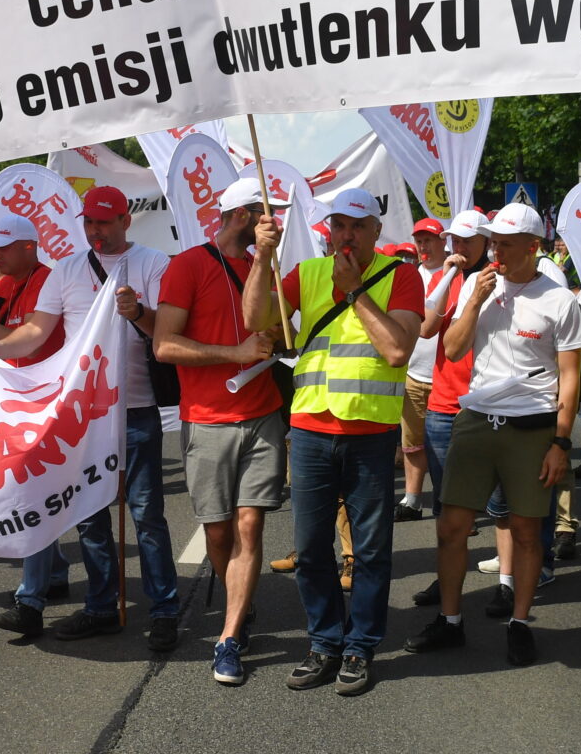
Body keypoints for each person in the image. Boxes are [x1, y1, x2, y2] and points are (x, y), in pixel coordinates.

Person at [0, 185, 180, 648]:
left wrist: (139, 314)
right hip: (83, 413)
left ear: (126, 221)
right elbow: (34, 332)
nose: (96, 231)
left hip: (136, 407)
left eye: (105, 222)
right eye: (90, 222)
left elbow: (165, 332)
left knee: (146, 513)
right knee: (89, 513)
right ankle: (101, 606)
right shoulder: (67, 269)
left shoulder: (153, 263)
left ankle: (165, 608)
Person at [244, 187, 422, 695]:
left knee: (369, 552)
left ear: (375, 232)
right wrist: (261, 257)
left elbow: (395, 351)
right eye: (338, 225)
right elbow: (255, 320)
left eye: (357, 226)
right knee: (309, 548)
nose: (346, 235)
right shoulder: (307, 272)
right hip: (310, 431)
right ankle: (324, 641)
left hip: (369, 434)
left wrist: (354, 293)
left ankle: (360, 647)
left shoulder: (400, 275)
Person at [405, 202, 581, 667]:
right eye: (494, 243)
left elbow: (570, 377)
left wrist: (561, 442)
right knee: (451, 527)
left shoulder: (558, 300)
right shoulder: (478, 286)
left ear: (533, 246)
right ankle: (450, 621)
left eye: (505, 244)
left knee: (525, 531)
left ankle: (520, 623)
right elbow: (454, 346)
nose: (496, 253)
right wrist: (476, 300)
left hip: (531, 428)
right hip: (477, 420)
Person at [152, 179, 283, 682]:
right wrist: (235, 354)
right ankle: (236, 598)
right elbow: (164, 345)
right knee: (219, 529)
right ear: (245, 216)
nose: (278, 223)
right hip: (207, 421)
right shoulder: (187, 265)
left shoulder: (263, 265)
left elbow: (271, 324)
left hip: (262, 414)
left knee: (250, 525)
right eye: (268, 214)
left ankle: (229, 637)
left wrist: (271, 328)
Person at [0, 214, 73, 636]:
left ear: (29, 247)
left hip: (45, 399)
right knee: (36, 493)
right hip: (11, 400)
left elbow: (33, 336)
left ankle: (30, 600)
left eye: (3, 247)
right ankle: (56, 573)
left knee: (33, 496)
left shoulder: (50, 280)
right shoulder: (0, 283)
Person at [412, 209, 491, 607]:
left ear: (486, 241)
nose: (459, 248)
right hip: (444, 401)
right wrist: (445, 275)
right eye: (454, 240)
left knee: (501, 505)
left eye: (467, 241)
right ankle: (445, 582)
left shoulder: (495, 278)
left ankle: (514, 579)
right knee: (444, 504)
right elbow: (426, 328)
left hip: (484, 402)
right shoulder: (449, 278)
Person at [400, 216, 453, 521]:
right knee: (412, 443)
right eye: (419, 240)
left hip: (445, 377)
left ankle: (451, 505)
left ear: (442, 241)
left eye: (429, 240)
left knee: (446, 450)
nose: (423, 246)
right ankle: (412, 499)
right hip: (413, 372)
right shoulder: (410, 275)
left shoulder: (454, 276)